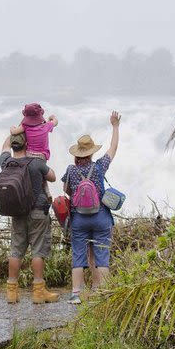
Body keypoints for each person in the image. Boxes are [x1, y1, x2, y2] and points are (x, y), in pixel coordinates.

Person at [62, 111, 121, 304]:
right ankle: (102, 293)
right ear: (91, 152)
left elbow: (66, 190)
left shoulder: (71, 170)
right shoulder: (99, 167)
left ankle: (76, 294)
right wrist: (115, 126)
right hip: (101, 216)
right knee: (101, 253)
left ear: (78, 153)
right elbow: (113, 148)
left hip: (79, 218)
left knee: (79, 254)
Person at [1, 132, 60, 304]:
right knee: (38, 250)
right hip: (38, 211)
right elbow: (53, 177)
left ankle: (12, 292)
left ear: (13, 145)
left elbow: (4, 147)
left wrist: (14, 131)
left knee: (16, 250)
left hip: (17, 212)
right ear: (27, 143)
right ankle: (38, 292)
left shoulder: (6, 162)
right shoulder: (36, 163)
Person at [10, 103, 58, 202]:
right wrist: (52, 118)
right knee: (42, 173)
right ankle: (47, 192)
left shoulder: (25, 126)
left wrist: (12, 128)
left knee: (35, 174)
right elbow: (55, 122)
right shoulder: (46, 126)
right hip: (42, 157)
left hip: (29, 155)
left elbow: (14, 132)